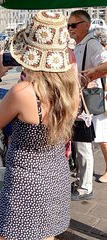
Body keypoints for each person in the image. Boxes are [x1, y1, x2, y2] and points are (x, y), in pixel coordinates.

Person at [0, 11, 79, 240]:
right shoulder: (71, 89)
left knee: (0, 236)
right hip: (56, 178)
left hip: (24, 185)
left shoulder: (23, 92)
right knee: (45, 235)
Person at [68, 10, 107, 199]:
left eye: (73, 25)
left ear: (86, 25)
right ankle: (82, 181)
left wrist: (91, 76)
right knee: (81, 142)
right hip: (79, 102)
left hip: (86, 103)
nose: (70, 29)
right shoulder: (80, 44)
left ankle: (85, 188)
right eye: (68, 26)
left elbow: (106, 64)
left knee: (84, 143)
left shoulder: (92, 44)